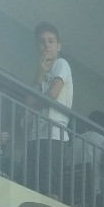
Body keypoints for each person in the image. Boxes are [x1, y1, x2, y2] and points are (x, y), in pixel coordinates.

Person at [26, 21, 72, 197]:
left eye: (51, 41)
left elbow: (52, 94)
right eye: (42, 42)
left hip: (54, 134)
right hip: (36, 134)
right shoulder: (41, 71)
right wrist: (39, 75)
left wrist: (35, 104)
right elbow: (28, 101)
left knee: (50, 188)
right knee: (32, 186)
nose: (46, 46)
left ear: (59, 46)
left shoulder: (61, 63)